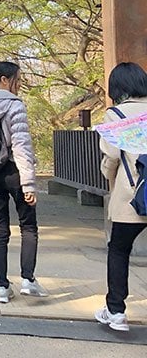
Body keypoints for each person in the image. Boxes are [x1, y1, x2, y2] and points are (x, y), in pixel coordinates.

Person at [0, 61, 47, 304]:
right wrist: (29, 184)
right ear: (5, 80)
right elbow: (22, 145)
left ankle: (2, 288)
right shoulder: (15, 105)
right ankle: (28, 280)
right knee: (28, 226)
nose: (20, 82)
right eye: (18, 78)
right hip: (15, 171)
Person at [94, 62, 147, 332]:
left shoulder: (116, 114)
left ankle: (116, 311)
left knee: (119, 249)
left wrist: (109, 178)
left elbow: (112, 156)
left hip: (133, 193)